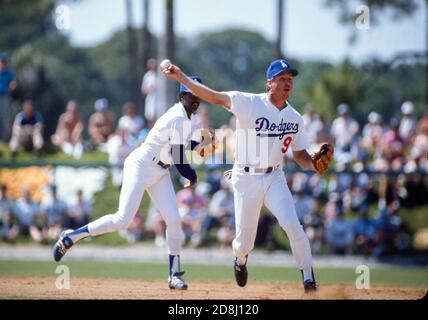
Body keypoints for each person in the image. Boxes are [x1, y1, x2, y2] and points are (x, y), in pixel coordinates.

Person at [162, 59, 334, 292]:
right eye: (282, 79)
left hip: (275, 177)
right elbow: (214, 97)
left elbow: (300, 155)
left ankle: (308, 279)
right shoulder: (249, 103)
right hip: (245, 177)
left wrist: (314, 165)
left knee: (293, 225)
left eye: (290, 79)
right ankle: (240, 259)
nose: (287, 83)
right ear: (269, 83)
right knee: (245, 243)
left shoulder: (295, 118)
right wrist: (182, 77)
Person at [52, 76, 206, 290]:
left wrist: (201, 141)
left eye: (198, 93)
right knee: (123, 219)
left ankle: (174, 275)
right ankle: (72, 236)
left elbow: (179, 145)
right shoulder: (179, 117)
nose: (196, 97)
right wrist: (192, 176)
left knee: (173, 219)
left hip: (160, 171)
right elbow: (180, 158)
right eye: (191, 93)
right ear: (182, 96)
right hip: (141, 165)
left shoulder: (185, 119)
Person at [0, 53, 17, 142]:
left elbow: (14, 83)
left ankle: (5, 140)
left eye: (4, 62)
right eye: (1, 62)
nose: (2, 63)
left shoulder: (9, 73)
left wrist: (12, 85)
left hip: (5, 97)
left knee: (5, 118)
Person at [141, 58, 161, 128]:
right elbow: (143, 90)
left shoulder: (160, 75)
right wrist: (150, 88)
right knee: (150, 117)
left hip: (159, 99)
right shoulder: (147, 76)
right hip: (150, 99)